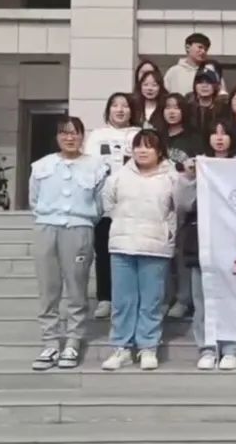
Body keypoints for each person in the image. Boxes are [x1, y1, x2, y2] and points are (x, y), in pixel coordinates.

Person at [100, 130, 183, 372]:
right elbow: (108, 205)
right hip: (122, 245)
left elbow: (179, 208)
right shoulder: (118, 177)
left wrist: (167, 233)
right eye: (138, 146)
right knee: (122, 301)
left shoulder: (172, 178)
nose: (142, 151)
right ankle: (122, 348)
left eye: (148, 146)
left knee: (151, 301)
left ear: (160, 151)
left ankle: (148, 347)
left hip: (155, 246)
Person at [29, 116, 108, 371]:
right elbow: (34, 200)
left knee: (76, 287)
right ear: (57, 137)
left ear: (83, 136)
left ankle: (73, 340)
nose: (70, 137)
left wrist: (82, 220)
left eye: (75, 133)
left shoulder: (96, 166)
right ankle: (50, 342)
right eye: (64, 133)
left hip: (79, 228)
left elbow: (100, 204)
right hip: (46, 228)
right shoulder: (41, 165)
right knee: (48, 289)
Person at [182, 120, 236, 371]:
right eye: (214, 133)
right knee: (202, 297)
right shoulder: (200, 166)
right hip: (203, 239)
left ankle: (232, 348)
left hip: (233, 240)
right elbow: (183, 204)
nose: (219, 138)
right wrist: (189, 177)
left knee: (233, 297)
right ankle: (207, 348)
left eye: (224, 133)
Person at [83, 93, 140, 319]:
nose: (120, 110)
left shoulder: (138, 134)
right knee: (104, 252)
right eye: (115, 105)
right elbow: (88, 167)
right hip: (104, 206)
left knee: (130, 253)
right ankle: (105, 298)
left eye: (125, 106)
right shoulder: (97, 135)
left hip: (133, 205)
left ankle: (129, 297)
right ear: (108, 110)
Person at [161, 92, 200, 320]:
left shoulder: (194, 138)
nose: (172, 111)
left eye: (176, 107)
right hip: (159, 199)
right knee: (163, 251)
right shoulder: (157, 137)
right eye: (168, 107)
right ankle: (165, 298)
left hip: (185, 200)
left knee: (182, 251)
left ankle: (184, 299)